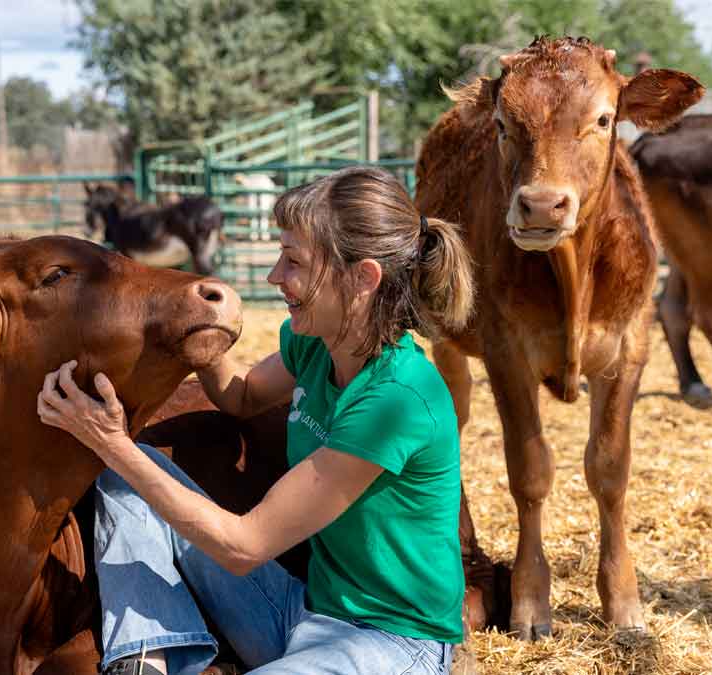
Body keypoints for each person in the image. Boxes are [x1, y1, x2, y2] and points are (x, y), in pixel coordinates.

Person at [37, 166, 475, 675]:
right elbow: (241, 395)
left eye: (293, 261)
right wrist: (198, 329)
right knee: (125, 473)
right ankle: (145, 657)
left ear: (362, 279)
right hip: (303, 613)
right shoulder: (316, 344)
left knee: (122, 456)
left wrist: (111, 440)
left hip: (392, 646)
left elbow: (244, 547)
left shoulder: (397, 400)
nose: (274, 276)